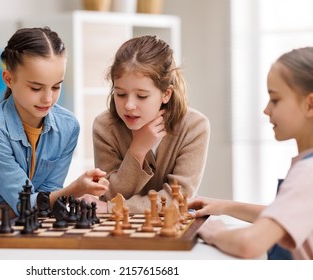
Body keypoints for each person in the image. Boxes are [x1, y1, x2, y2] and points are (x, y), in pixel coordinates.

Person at [0, 27, 108, 230]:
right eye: (36, 88)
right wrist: (76, 188)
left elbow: (46, 200)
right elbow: (29, 203)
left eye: (56, 86)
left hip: (3, 220)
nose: (48, 99)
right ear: (9, 79)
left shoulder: (68, 126)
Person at [188, 47, 313, 260]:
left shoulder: (307, 173)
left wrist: (214, 232)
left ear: (310, 104)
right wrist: (224, 206)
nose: (266, 109)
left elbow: (250, 244)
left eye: (275, 99)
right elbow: (285, 214)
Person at [84, 35, 210, 213]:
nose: (128, 105)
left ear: (166, 94)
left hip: (172, 227)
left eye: (141, 96)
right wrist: (137, 151)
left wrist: (112, 208)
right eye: (120, 94)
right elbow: (110, 195)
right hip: (117, 230)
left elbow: (179, 197)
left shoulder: (194, 126)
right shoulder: (105, 126)